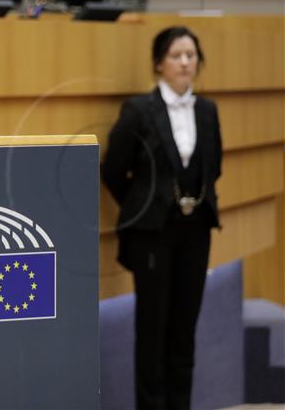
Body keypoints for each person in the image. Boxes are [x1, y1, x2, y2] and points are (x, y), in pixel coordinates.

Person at [102, 26, 223, 410]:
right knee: (152, 330)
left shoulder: (207, 110)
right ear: (159, 63)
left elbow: (213, 167)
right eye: (176, 55)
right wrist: (142, 205)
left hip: (196, 229)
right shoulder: (139, 110)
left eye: (191, 55)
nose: (185, 62)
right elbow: (112, 169)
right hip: (151, 234)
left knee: (184, 328)